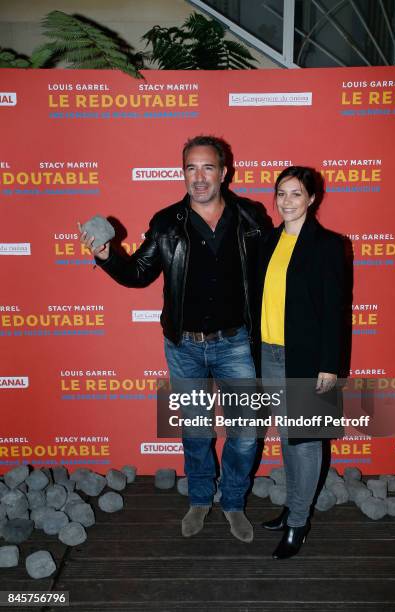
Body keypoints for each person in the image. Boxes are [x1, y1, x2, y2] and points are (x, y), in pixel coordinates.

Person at [78, 135, 271, 543]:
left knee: (247, 432)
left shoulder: (252, 219)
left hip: (236, 343)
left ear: (224, 172)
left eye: (207, 168)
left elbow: (275, 275)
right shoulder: (167, 222)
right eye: (190, 168)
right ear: (182, 172)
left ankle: (233, 502)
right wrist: (105, 255)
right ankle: (201, 497)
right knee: (196, 430)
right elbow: (138, 274)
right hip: (184, 347)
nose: (199, 178)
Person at [254, 166, 345, 559]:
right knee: (288, 441)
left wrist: (330, 364)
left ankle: (298, 524)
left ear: (311, 199)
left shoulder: (329, 245)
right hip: (269, 355)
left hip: (308, 359)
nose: (287, 201)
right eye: (281, 193)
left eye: (295, 194)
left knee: (306, 443)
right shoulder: (267, 242)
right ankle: (293, 507)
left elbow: (337, 311)